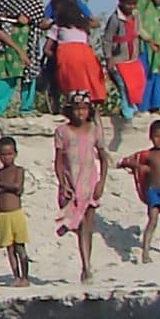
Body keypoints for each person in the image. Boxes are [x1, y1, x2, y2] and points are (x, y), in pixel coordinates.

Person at [54, 91, 112, 283]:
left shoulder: (94, 129)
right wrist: (62, 183)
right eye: (77, 109)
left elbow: (103, 157)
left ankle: (86, 266)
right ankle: (84, 260)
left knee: (88, 224)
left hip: (90, 182)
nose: (81, 113)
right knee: (79, 225)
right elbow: (59, 161)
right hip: (71, 182)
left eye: (84, 109)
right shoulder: (62, 131)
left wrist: (102, 182)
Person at [120, 119, 160, 261]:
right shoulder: (147, 155)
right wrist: (137, 167)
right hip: (154, 192)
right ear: (150, 137)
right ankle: (145, 252)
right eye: (157, 136)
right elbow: (131, 160)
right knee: (153, 220)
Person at [46, 0, 110, 108]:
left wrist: (78, 21)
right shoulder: (54, 5)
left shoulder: (77, 4)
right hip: (60, 45)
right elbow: (44, 22)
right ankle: (57, 104)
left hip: (72, 48)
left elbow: (94, 22)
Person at [0, 135, 31, 286]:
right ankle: (16, 276)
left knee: (20, 247)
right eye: (3, 154)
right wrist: (6, 185)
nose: (7, 157)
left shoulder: (18, 171)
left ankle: (25, 277)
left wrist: (2, 185)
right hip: (3, 215)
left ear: (15, 154)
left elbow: (17, 187)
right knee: (10, 248)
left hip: (16, 214)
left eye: (9, 154)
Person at [105, 0, 150, 116]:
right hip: (119, 60)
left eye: (133, 4)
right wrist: (109, 58)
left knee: (137, 83)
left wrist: (150, 40)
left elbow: (139, 30)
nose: (131, 7)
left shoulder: (136, 15)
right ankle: (127, 112)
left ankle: (133, 107)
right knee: (124, 85)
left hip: (132, 58)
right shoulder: (115, 19)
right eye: (128, 4)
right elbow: (107, 39)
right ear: (121, 1)